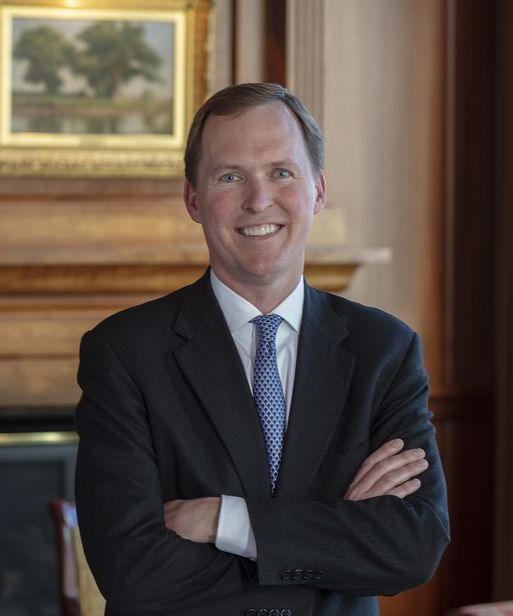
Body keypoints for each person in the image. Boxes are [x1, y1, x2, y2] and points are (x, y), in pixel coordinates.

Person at [73, 82, 450, 616]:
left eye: (281, 172)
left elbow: (413, 547)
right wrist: (332, 536)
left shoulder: (383, 350)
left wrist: (225, 521)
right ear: (193, 199)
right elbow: (133, 572)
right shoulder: (124, 352)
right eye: (230, 176)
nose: (258, 200)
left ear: (317, 190)